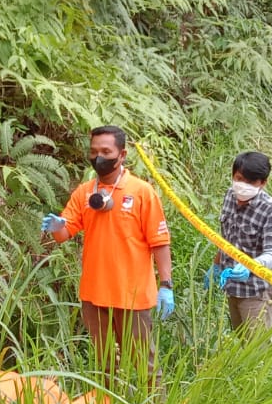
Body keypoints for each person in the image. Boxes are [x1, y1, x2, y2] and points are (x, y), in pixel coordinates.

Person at [40, 126, 174, 384]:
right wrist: (56, 226)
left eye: (105, 151)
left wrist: (166, 284)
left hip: (132, 296)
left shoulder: (141, 192)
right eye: (93, 151)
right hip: (94, 295)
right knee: (104, 366)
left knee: (144, 364)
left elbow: (160, 242)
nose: (98, 157)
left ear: (121, 155)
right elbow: (64, 232)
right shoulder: (85, 192)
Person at [208, 151, 272, 332]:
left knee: (257, 352)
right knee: (241, 342)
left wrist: (251, 265)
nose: (242, 186)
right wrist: (216, 264)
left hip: (257, 292)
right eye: (239, 178)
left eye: (250, 182)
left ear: (263, 183)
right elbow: (227, 237)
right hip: (232, 287)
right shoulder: (229, 196)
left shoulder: (271, 211)